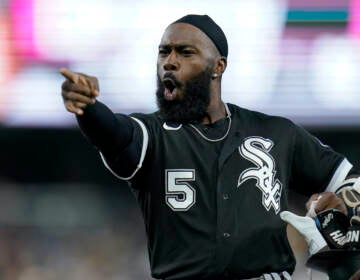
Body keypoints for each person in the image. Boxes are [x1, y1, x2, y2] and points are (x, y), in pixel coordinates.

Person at [60, 14, 359, 280]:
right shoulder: (153, 134)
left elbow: (349, 180)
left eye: (184, 52)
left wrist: (339, 210)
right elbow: (114, 134)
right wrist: (89, 109)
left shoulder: (274, 132)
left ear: (218, 66)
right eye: (164, 51)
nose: (169, 61)